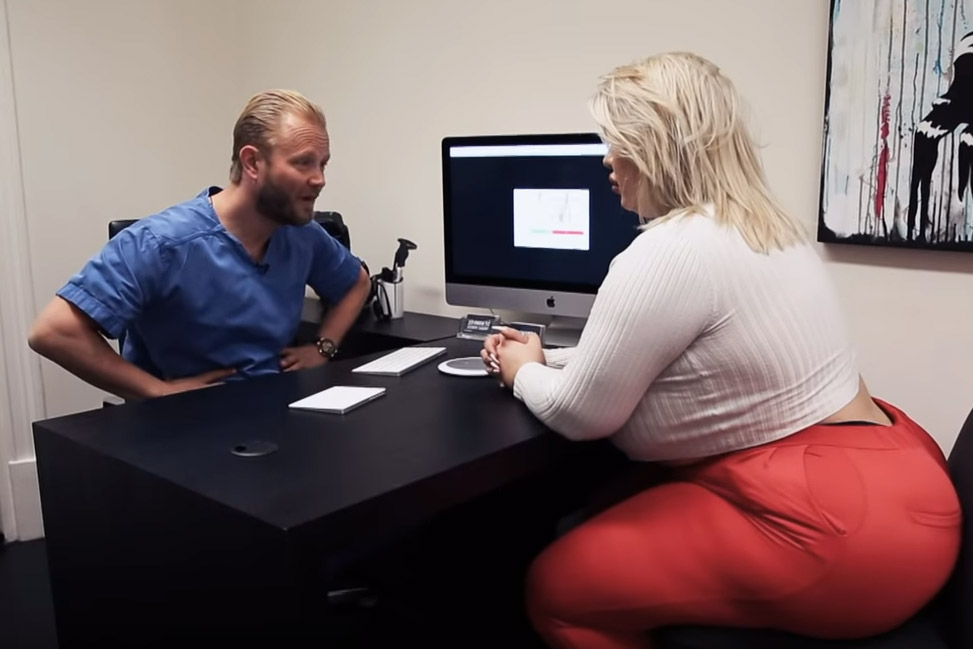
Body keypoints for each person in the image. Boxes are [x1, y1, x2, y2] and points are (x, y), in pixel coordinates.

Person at [482, 53, 961, 649]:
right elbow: (690, 357)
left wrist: (523, 372)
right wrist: (551, 357)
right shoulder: (764, 226)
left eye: (617, 142)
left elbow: (582, 416)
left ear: (658, 147)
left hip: (843, 534)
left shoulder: (668, 250)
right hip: (899, 487)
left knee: (555, 591)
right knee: (601, 502)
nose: (607, 160)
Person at [28, 90, 372, 400]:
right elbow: (54, 332)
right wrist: (156, 391)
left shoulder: (302, 235)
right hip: (180, 428)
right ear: (253, 162)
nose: (320, 179)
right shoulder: (161, 243)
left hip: (272, 411)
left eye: (323, 164)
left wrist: (323, 348)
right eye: (303, 162)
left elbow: (357, 281)